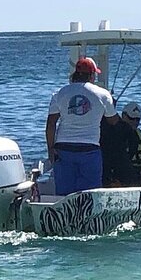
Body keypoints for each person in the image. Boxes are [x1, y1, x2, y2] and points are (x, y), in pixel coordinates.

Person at [46, 56, 118, 195]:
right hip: (89, 150)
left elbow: (51, 124)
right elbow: (113, 121)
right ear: (92, 75)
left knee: (64, 196)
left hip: (64, 149)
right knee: (91, 195)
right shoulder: (103, 94)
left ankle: (66, 216)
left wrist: (51, 149)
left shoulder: (60, 93)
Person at [121, 101, 141, 185]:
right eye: (131, 118)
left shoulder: (139, 133)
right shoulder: (118, 135)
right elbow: (118, 161)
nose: (135, 122)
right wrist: (139, 171)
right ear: (124, 116)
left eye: (137, 119)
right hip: (127, 175)